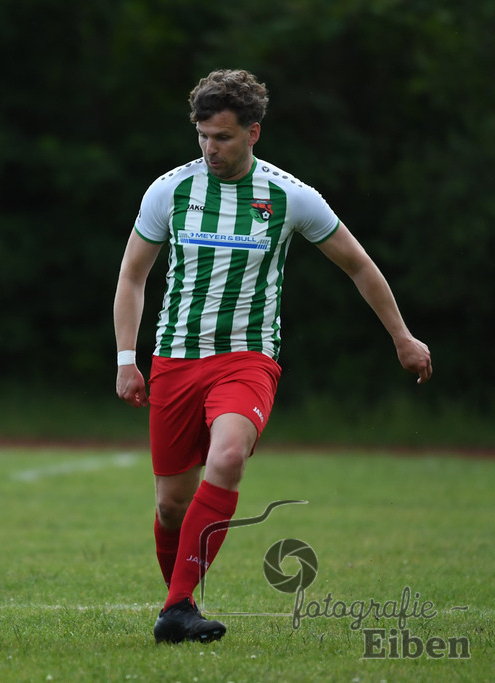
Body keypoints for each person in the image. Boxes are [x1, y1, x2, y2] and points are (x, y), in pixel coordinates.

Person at [112, 70, 432, 644]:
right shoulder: (170, 191)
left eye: (224, 137)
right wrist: (126, 358)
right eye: (203, 135)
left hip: (248, 359)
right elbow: (133, 275)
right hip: (176, 361)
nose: (211, 148)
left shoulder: (289, 196)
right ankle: (179, 607)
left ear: (253, 133)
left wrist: (402, 338)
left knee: (229, 456)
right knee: (169, 508)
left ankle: (177, 606)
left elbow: (358, 264)